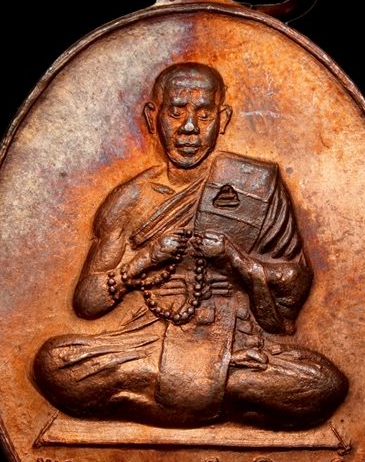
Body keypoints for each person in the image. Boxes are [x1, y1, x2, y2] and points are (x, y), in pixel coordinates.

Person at [33, 62, 348, 429]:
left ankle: (164, 402)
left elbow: (294, 283)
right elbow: (87, 302)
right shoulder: (130, 199)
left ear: (223, 119)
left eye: (204, 114)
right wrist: (143, 262)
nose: (188, 128)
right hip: (148, 341)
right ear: (153, 117)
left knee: (324, 384)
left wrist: (236, 261)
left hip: (237, 344)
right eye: (176, 112)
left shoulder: (255, 185)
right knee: (54, 363)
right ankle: (218, 401)